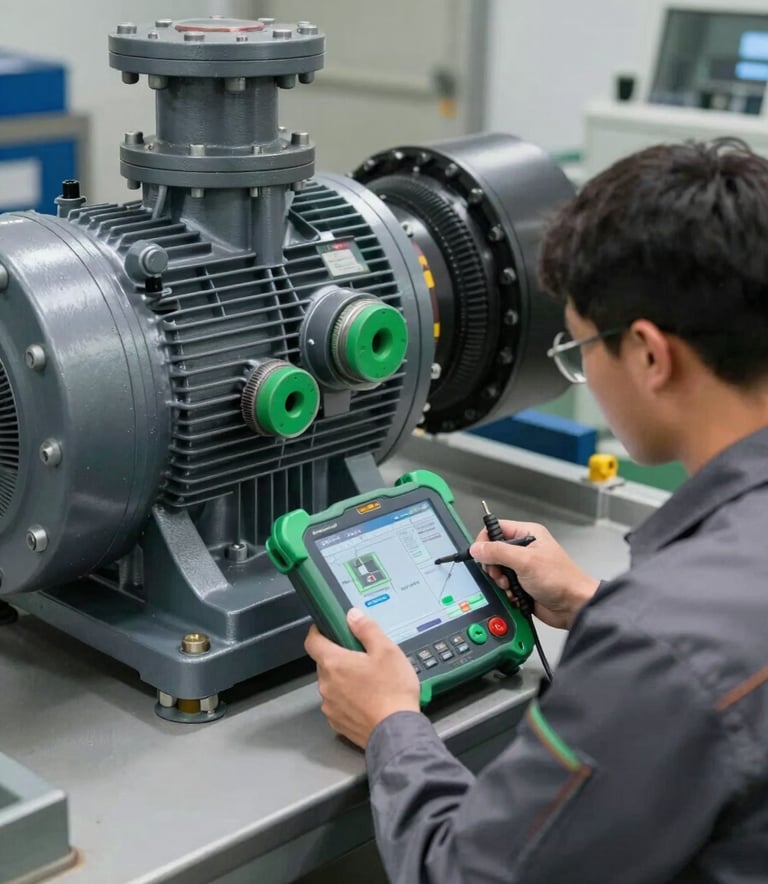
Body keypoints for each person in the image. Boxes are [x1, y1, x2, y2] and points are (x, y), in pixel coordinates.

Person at [305, 138, 768, 883]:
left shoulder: (663, 639)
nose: (582, 364)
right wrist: (593, 607)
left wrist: (391, 723)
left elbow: (469, 874)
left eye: (582, 345)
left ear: (650, 355)